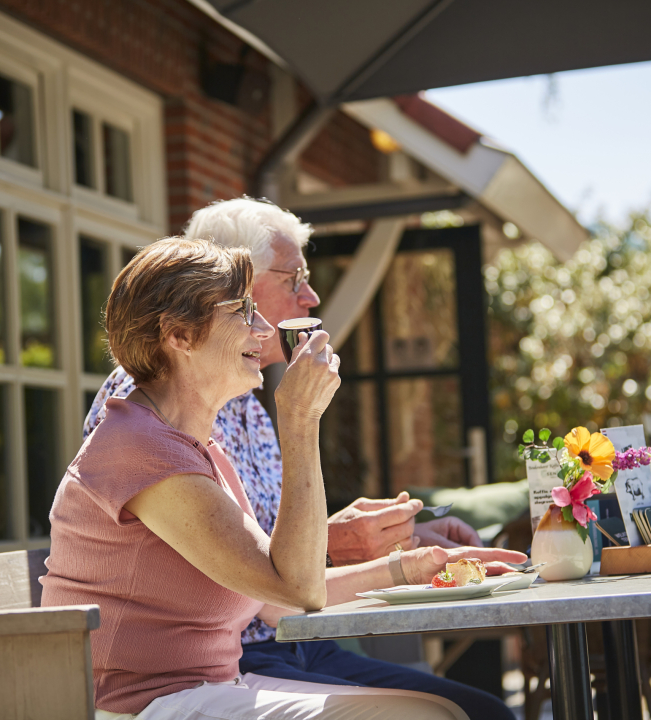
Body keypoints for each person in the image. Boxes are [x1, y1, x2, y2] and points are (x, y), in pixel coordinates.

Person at [82, 198, 523, 719]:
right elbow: (283, 578)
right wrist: (302, 424)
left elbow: (276, 578)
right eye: (291, 279)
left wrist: (407, 557)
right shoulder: (149, 421)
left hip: (268, 642)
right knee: (447, 714)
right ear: (190, 319)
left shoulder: (222, 420)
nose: (307, 299)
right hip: (217, 668)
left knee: (472, 711)